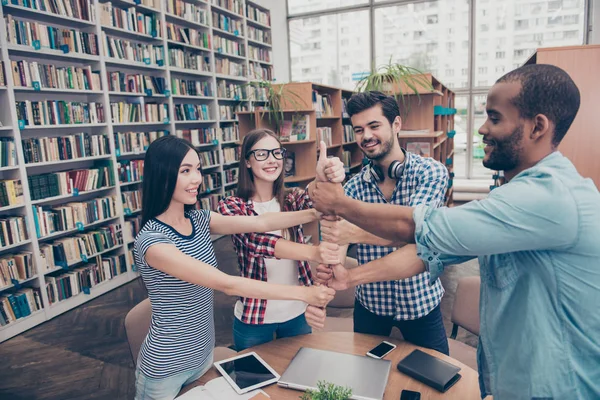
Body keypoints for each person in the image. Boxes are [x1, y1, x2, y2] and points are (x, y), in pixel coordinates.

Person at [310, 64, 600, 400]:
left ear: (537, 127)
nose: (481, 129)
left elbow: (418, 228)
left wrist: (344, 206)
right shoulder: (516, 195)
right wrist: (348, 278)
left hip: (560, 388)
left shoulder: (548, 197)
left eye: (494, 118)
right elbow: (429, 249)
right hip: (520, 382)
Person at [133, 135, 335, 400]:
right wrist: (305, 294)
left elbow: (261, 223)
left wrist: (313, 214)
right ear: (163, 174)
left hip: (203, 355)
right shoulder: (153, 242)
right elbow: (226, 283)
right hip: (166, 367)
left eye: (197, 169)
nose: (196, 179)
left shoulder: (199, 218)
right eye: (185, 171)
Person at [309, 91, 450, 354]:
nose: (366, 136)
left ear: (396, 124)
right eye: (359, 130)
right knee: (365, 381)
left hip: (421, 302)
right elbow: (337, 242)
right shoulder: (352, 188)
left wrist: (357, 233)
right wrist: (327, 276)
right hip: (370, 305)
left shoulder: (431, 172)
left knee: (437, 384)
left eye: (375, 126)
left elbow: (416, 233)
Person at [217, 129, 346, 350]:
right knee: (254, 381)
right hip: (255, 317)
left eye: (277, 153)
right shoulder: (231, 206)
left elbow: (318, 199)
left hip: (297, 312)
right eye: (261, 154)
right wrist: (313, 252)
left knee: (300, 374)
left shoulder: (290, 198)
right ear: (247, 161)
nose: (271, 160)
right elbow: (258, 243)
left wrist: (322, 179)